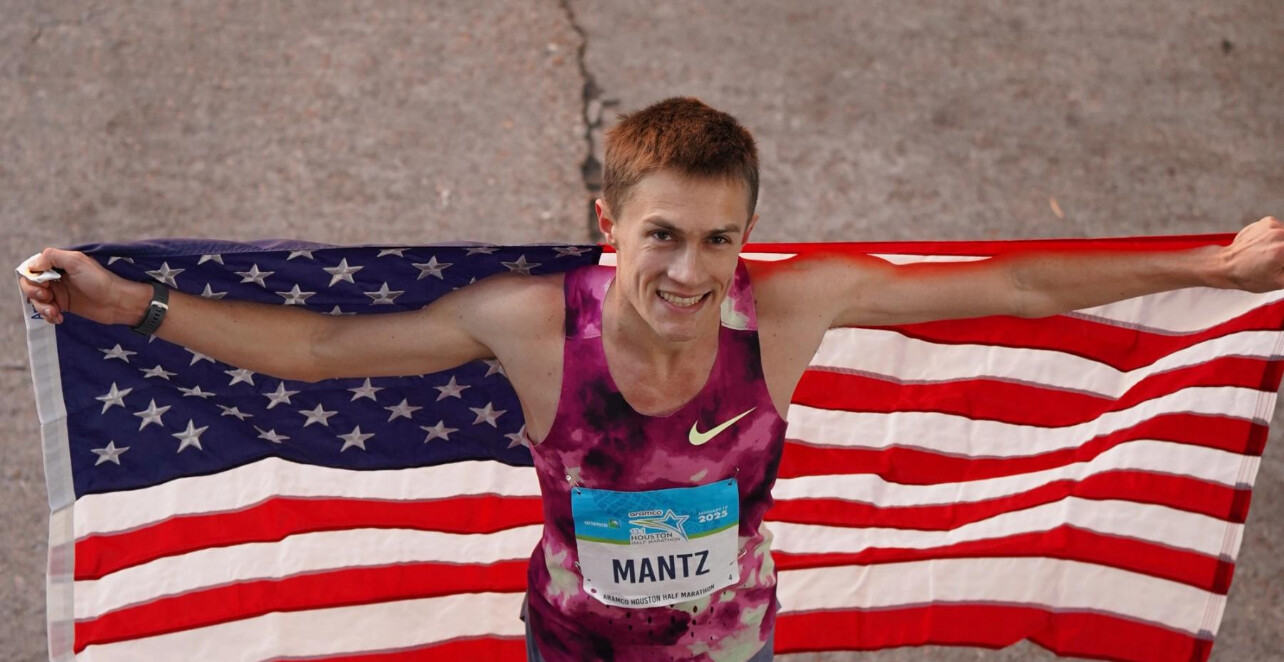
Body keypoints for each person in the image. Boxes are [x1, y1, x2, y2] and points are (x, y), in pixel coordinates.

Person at [16, 96, 1284, 662]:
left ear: (749, 235)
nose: (689, 270)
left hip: (734, 643)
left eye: (719, 238)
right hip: (571, 647)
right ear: (608, 224)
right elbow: (323, 352)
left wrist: (1213, 267)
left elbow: (1016, 285)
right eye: (662, 234)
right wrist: (135, 306)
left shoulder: (791, 306)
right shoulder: (529, 325)